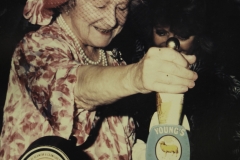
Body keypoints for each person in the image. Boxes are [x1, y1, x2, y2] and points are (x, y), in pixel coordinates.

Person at [0, 0, 198, 159]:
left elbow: (116, 141)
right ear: (68, 3)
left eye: (122, 7)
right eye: (100, 5)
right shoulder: (36, 48)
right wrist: (135, 76)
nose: (111, 20)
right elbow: (72, 87)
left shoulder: (113, 58)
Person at [128, 0, 240, 159]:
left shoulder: (217, 87)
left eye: (182, 36)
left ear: (199, 37)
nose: (171, 43)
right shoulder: (134, 69)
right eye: (161, 32)